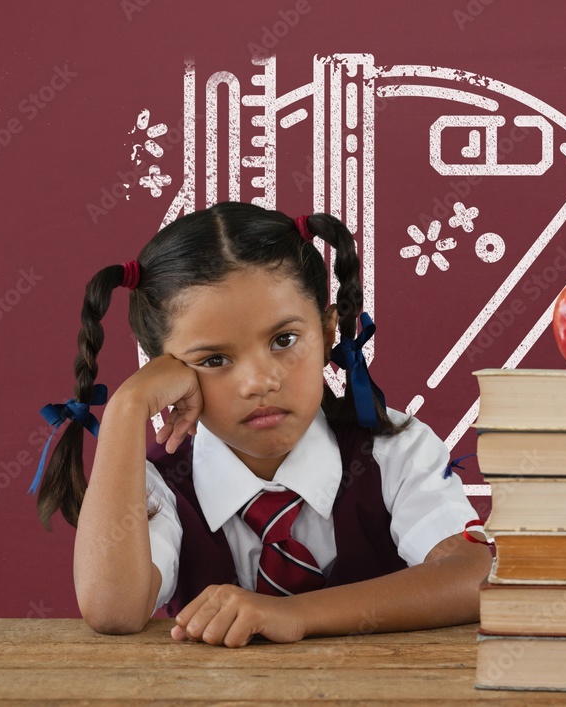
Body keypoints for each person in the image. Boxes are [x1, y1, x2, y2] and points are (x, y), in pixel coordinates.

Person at [31, 201, 491, 647]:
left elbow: (472, 578)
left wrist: (294, 615)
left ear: (330, 332)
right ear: (168, 375)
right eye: (214, 359)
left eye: (284, 339)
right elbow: (113, 610)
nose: (258, 382)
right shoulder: (158, 482)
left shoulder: (394, 449)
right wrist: (127, 408)